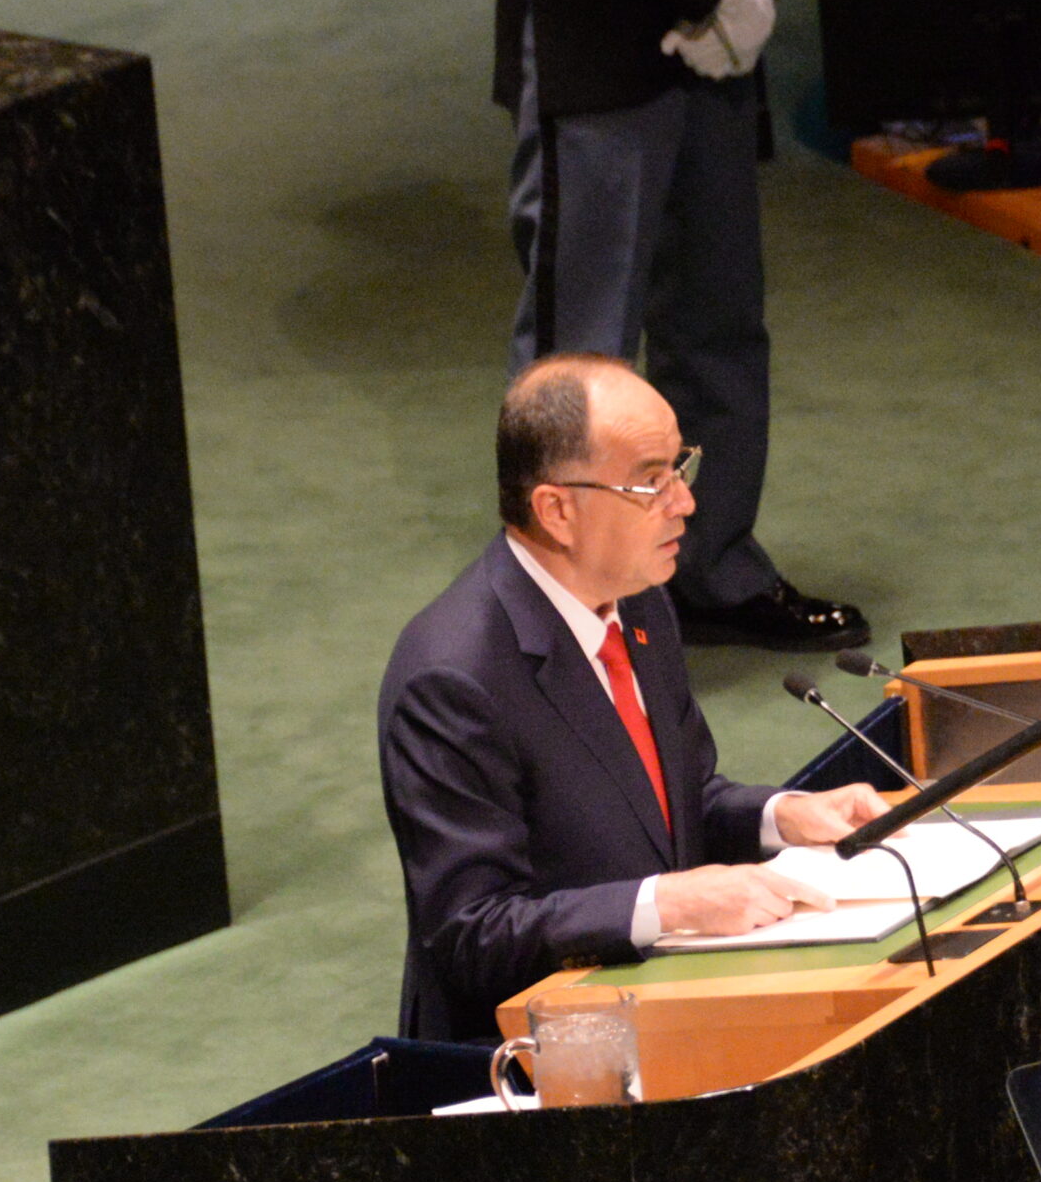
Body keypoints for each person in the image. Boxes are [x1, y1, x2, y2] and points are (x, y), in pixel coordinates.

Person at [380, 355, 890, 1042]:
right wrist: (668, 902)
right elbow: (474, 932)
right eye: (651, 481)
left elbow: (673, 804)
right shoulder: (453, 677)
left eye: (681, 468)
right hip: (533, 1063)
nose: (685, 501)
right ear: (557, 509)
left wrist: (784, 813)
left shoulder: (642, 605)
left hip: (662, 1009)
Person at [494, 0, 869, 652]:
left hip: (716, 33)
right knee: (578, 360)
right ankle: (564, 618)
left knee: (718, 315)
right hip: (596, 25)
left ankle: (709, 571)